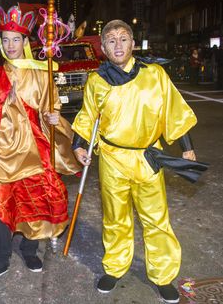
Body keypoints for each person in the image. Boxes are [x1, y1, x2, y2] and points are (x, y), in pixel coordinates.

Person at [72, 20, 200, 304]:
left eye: (123, 39)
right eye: (111, 41)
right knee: (116, 219)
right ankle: (115, 267)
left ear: (133, 43)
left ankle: (163, 275)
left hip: (147, 157)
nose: (118, 45)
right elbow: (87, 116)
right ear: (103, 48)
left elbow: (174, 112)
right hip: (112, 159)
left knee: (156, 219)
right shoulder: (97, 80)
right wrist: (79, 146)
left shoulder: (155, 75)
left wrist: (187, 149)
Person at [0, 5, 81, 279]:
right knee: (3, 205)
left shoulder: (40, 73)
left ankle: (29, 250)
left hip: (37, 151)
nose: (10, 45)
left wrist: (52, 116)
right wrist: (6, 106)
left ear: (26, 42)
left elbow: (53, 106)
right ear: (0, 43)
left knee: (35, 201)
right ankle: (0, 259)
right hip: (4, 153)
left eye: (16, 39)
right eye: (5, 39)